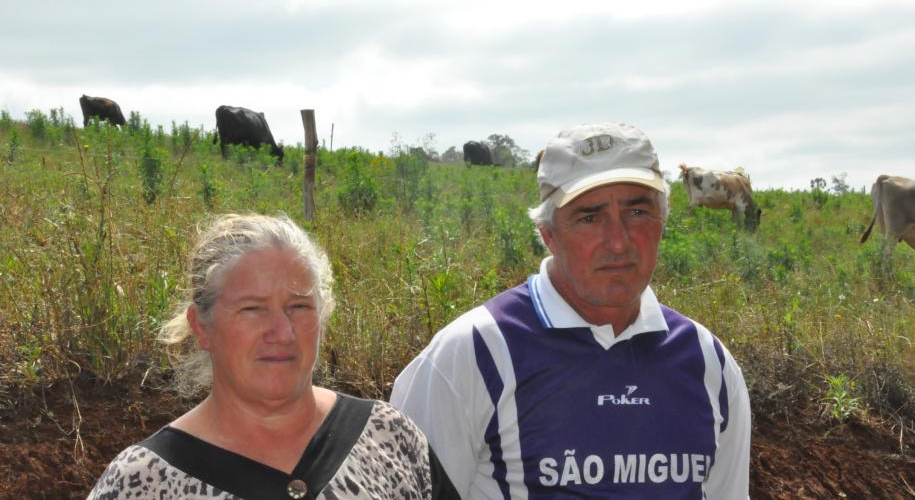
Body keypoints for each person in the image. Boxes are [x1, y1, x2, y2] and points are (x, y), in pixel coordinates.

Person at [391, 123, 751, 499]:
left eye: (637, 212)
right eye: (589, 218)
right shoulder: (471, 355)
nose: (618, 242)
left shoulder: (710, 363)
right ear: (548, 234)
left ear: (662, 222)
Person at [88, 214, 458, 500]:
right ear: (201, 327)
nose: (282, 332)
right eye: (252, 309)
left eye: (299, 307)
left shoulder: (389, 436)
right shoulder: (142, 482)